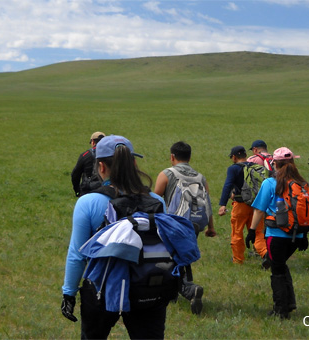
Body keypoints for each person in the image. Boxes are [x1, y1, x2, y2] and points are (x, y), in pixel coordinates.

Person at [61, 135, 171, 339]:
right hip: (148, 286)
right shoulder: (156, 201)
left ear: (100, 167)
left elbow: (77, 255)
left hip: (100, 288)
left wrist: (69, 292)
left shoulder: (88, 203)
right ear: (135, 164)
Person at [154, 141, 217, 315]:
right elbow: (207, 203)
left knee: (170, 259)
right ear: (190, 157)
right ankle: (183, 290)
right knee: (182, 258)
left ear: (172, 156)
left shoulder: (166, 174)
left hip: (173, 225)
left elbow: (154, 200)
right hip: (194, 225)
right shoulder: (200, 177)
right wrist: (210, 227)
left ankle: (185, 290)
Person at [249, 147, 308, 319]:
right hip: (297, 235)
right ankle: (289, 303)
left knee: (277, 271)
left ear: (274, 163)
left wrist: (252, 231)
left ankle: (280, 310)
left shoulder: (270, 183)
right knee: (281, 265)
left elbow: (259, 210)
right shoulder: (302, 183)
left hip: (277, 234)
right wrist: (303, 235)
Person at [218, 146, 268, 266]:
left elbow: (227, 185)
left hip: (241, 205)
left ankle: (238, 259)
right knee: (258, 232)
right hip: (257, 206)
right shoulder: (254, 167)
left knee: (237, 232)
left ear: (234, 157)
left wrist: (222, 204)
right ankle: (265, 254)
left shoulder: (233, 169)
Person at [71, 131, 105, 197]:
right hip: (106, 189)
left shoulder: (85, 155)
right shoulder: (112, 154)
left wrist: (77, 190)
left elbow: (75, 174)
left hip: (88, 190)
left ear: (92, 142)